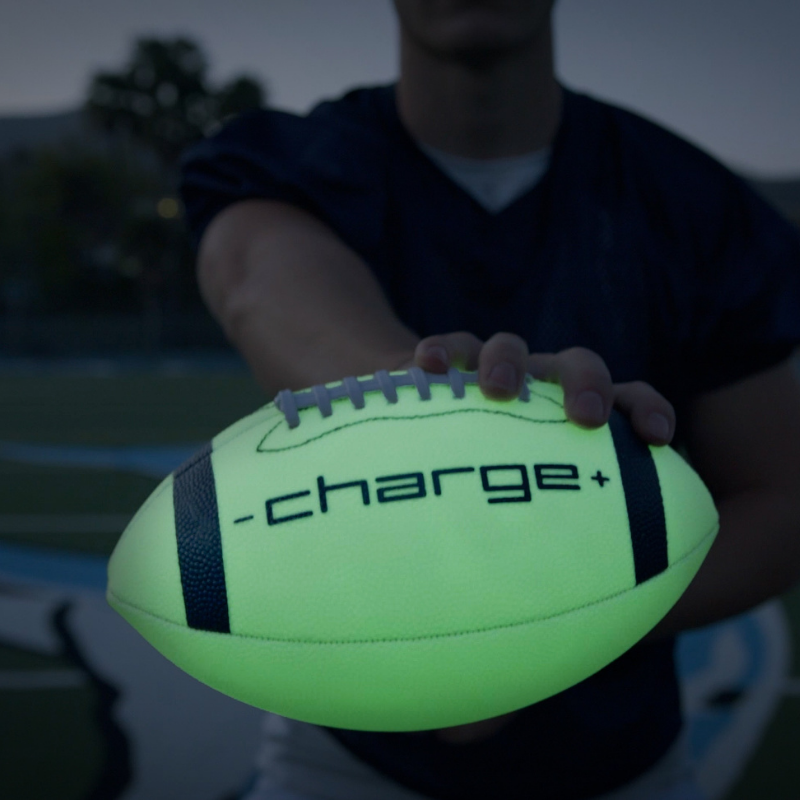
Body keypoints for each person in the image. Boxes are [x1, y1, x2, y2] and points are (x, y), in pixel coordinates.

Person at [179, 2, 800, 798]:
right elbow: (260, 279)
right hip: (347, 761)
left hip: (621, 765)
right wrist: (432, 398)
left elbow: (781, 500)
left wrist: (557, 618)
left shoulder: (693, 201)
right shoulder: (292, 158)